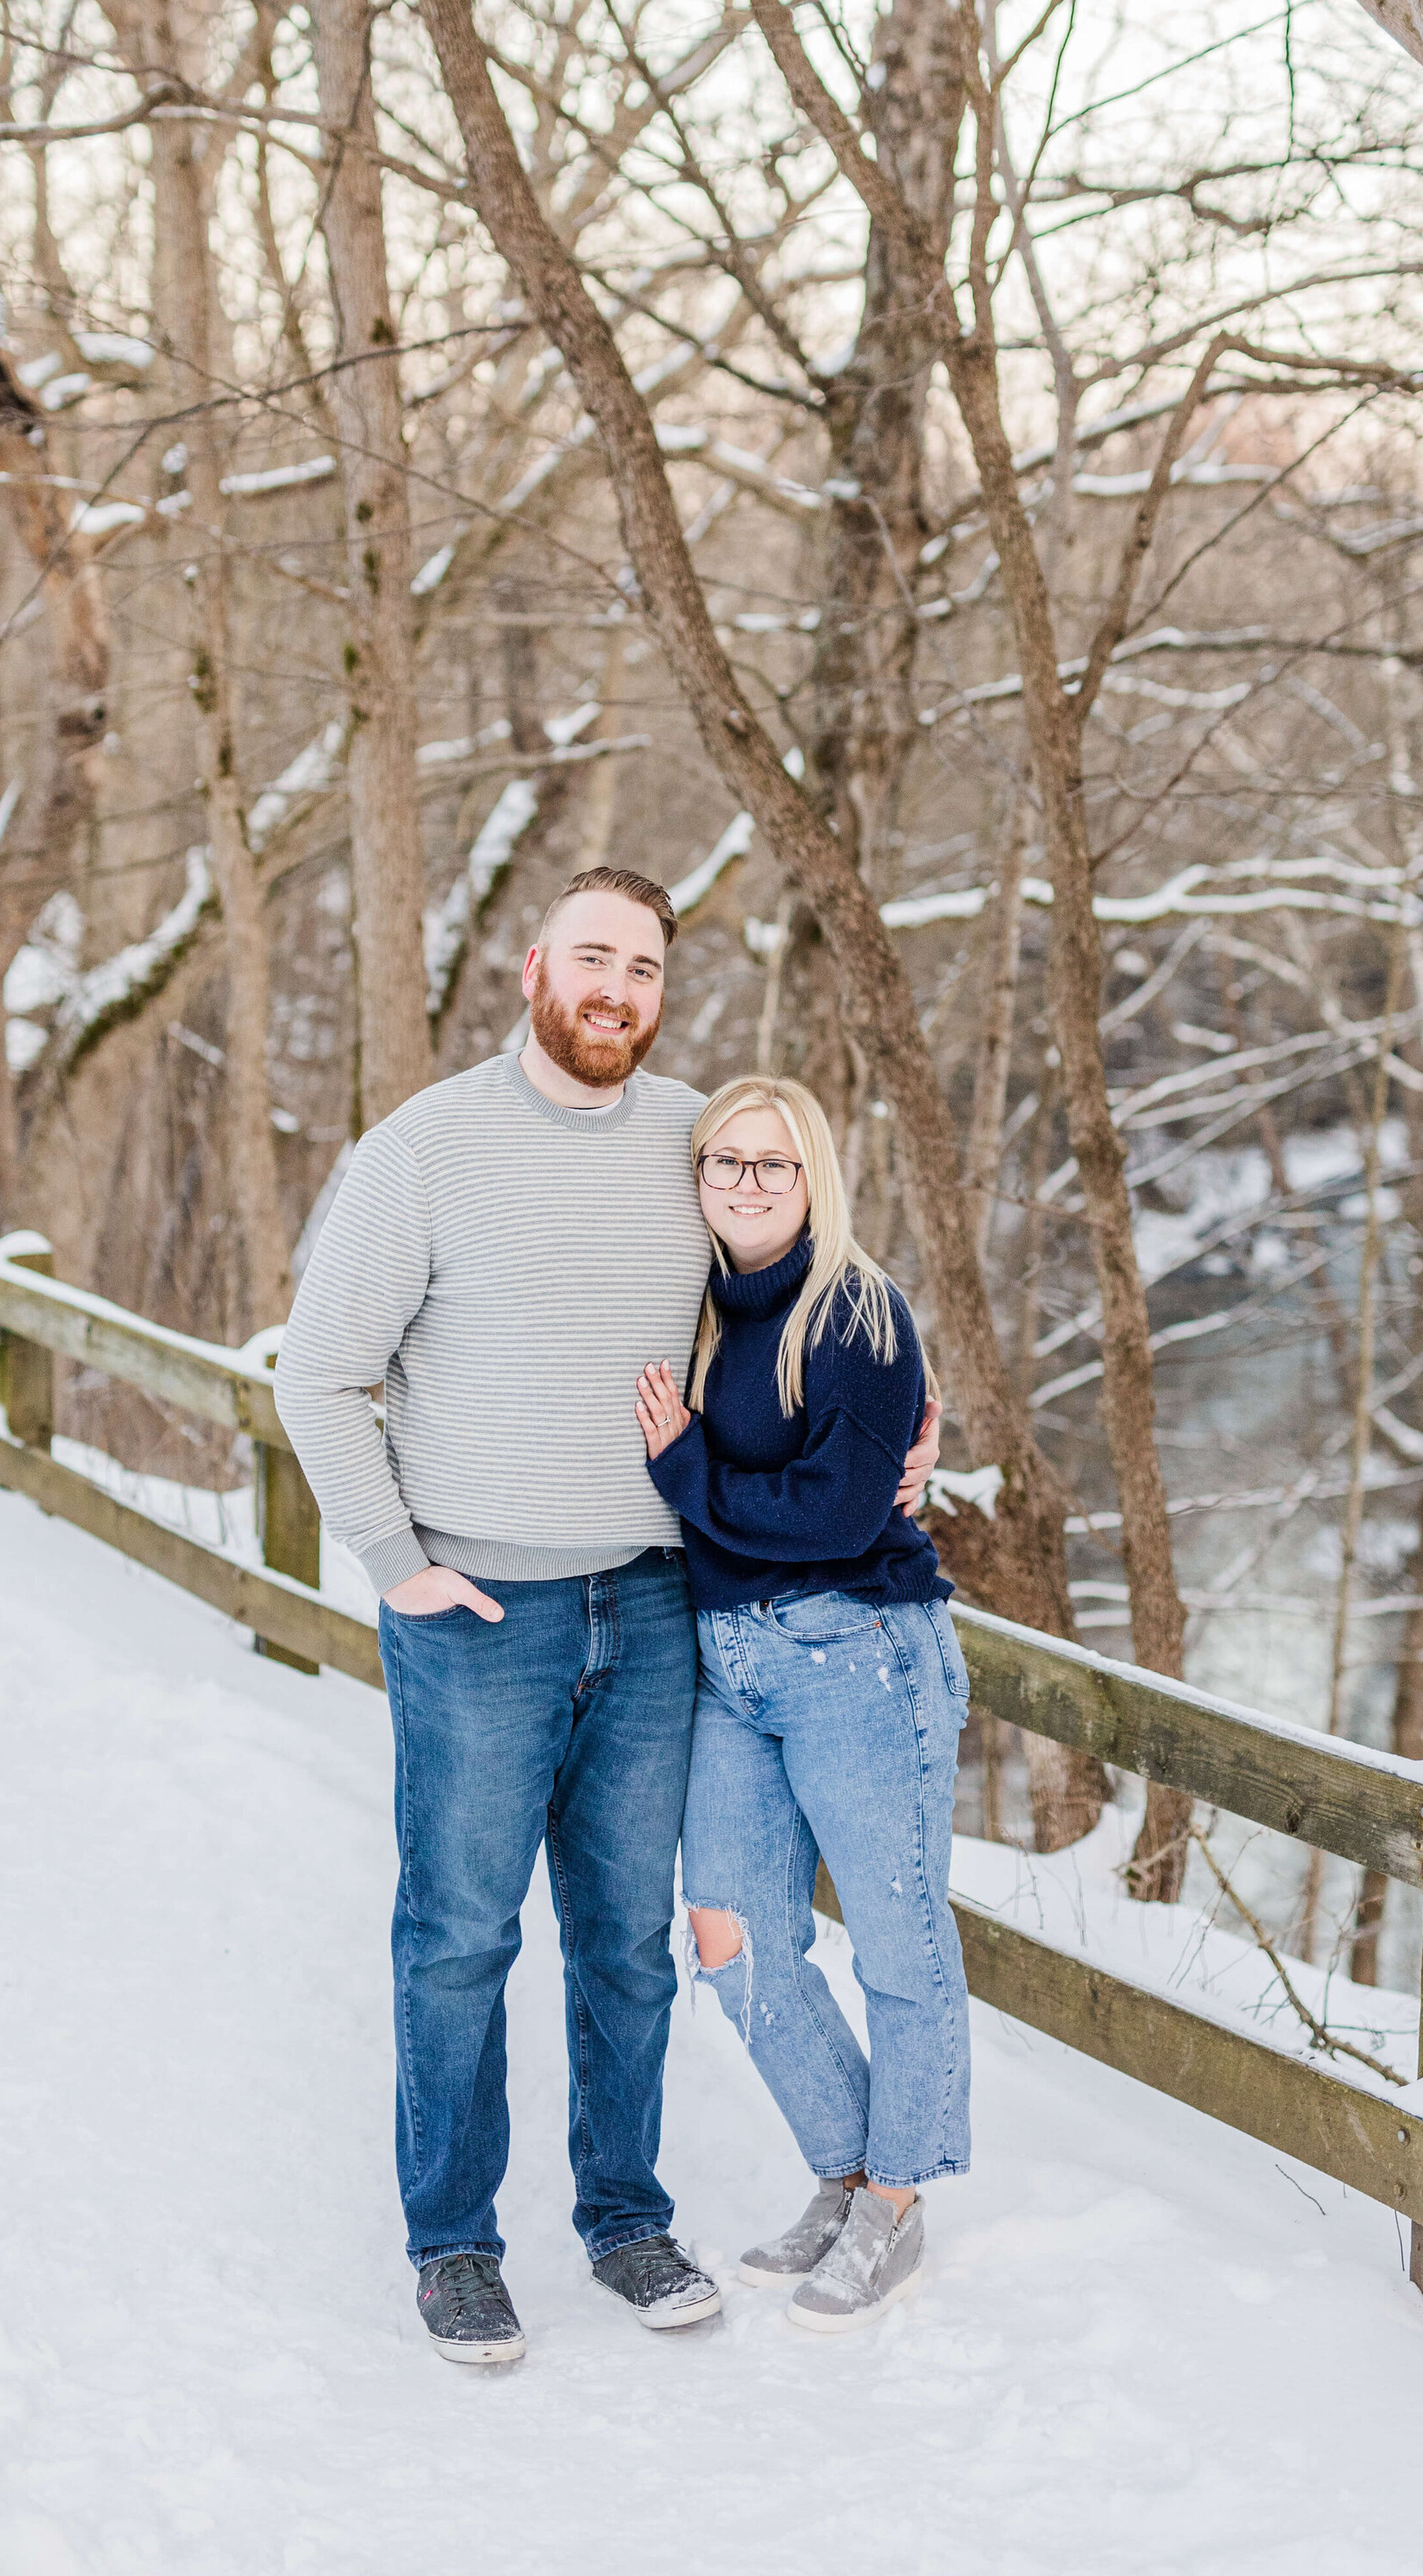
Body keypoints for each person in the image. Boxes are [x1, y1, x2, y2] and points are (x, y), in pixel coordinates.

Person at [274, 871, 939, 2366]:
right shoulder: (427, 1147)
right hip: (478, 1606)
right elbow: (317, 1373)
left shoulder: (697, 1144)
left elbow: (811, 1286)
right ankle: (453, 2244)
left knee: (628, 1943)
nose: (617, 990)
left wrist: (910, 1401)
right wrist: (394, 1561)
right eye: (593, 959)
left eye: (643, 967)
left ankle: (625, 2219)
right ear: (533, 968)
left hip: (654, 1607)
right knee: (456, 1939)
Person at [633, 1073, 971, 2336]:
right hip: (731, 1658)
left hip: (859, 1651)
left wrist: (685, 1474)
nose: (750, 1184)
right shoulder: (701, 1309)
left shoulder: (860, 1311)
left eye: (777, 1165)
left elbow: (838, 1516)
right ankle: (841, 2166)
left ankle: (896, 2196)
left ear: (814, 1176)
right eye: (729, 1161)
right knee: (727, 1925)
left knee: (897, 1937)